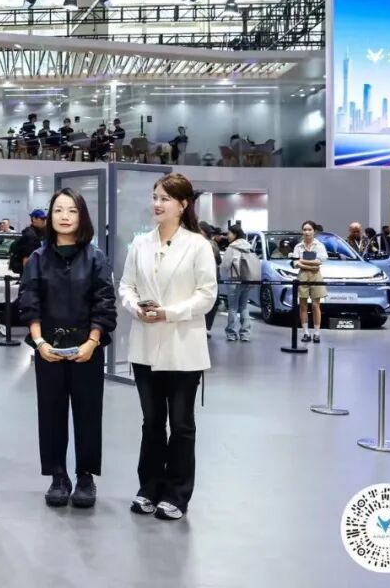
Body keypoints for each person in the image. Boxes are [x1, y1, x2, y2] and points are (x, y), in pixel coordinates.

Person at [118, 173, 216, 521]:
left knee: (182, 423)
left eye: (165, 199)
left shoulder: (198, 245)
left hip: (183, 347)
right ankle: (149, 487)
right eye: (155, 197)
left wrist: (169, 313)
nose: (157, 204)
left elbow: (207, 295)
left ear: (183, 204)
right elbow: (126, 286)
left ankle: (177, 493)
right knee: (152, 422)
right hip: (145, 345)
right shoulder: (140, 244)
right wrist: (136, 308)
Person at [18, 188, 116, 509]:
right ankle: (58, 476)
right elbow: (29, 301)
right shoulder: (38, 258)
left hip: (87, 349)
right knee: (51, 413)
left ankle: (85, 476)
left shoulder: (96, 257)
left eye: (72, 211)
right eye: (58, 210)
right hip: (48, 348)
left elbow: (105, 302)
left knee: (88, 413)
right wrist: (39, 342)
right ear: (50, 216)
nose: (64, 216)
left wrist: (92, 342)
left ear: (81, 216)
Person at [291, 221, 328, 343]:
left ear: (314, 231)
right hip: (302, 276)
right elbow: (295, 263)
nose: (307, 232)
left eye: (309, 230)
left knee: (316, 305)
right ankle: (305, 332)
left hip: (316, 276)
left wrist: (303, 261)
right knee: (303, 305)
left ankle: (317, 332)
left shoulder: (319, 245)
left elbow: (320, 261)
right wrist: (309, 265)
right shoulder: (298, 246)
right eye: (305, 229)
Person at [221, 225, 256, 341]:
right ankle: (245, 334)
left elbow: (225, 266)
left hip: (234, 280)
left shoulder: (232, 248)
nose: (227, 236)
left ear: (235, 234)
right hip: (247, 279)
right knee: (244, 307)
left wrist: (222, 276)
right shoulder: (248, 246)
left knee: (233, 308)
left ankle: (231, 333)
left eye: (229, 233)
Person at [199, 222, 221, 338]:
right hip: (200, 278)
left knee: (211, 303)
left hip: (210, 278)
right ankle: (204, 327)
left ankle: (206, 327)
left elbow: (218, 260)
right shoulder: (198, 244)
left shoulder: (210, 245)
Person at [10, 209, 47, 275]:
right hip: (31, 273)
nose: (44, 221)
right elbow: (26, 259)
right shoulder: (30, 236)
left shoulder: (39, 233)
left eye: (44, 219)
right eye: (42, 219)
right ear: (34, 219)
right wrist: (29, 277)